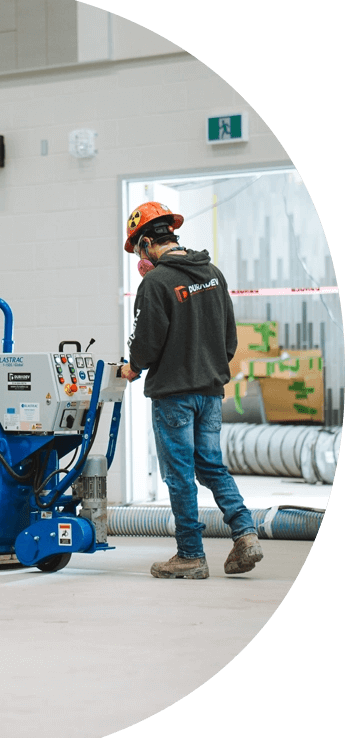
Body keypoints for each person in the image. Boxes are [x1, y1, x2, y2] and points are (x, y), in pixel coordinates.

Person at [119, 202, 263, 580]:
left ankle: (190, 555)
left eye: (138, 249)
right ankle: (246, 533)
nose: (140, 257)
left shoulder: (156, 282)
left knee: (180, 474)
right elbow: (230, 338)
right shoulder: (213, 274)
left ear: (148, 241)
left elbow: (145, 346)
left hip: (174, 395)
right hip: (211, 392)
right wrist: (211, 368)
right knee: (212, 466)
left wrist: (130, 368)